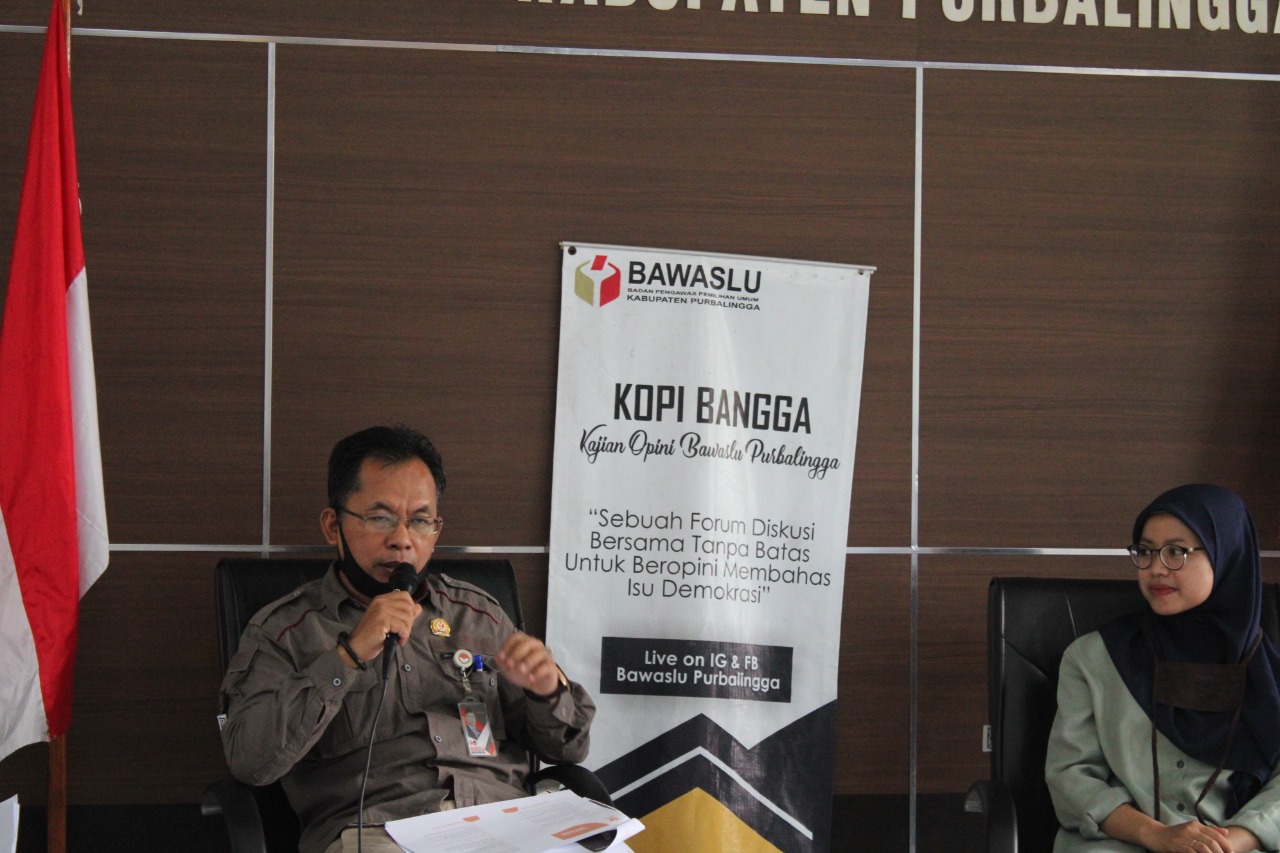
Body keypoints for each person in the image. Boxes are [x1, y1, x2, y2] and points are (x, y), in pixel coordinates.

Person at [220, 425, 596, 853]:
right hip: (379, 832)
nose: (402, 540)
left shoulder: (477, 615)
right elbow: (249, 762)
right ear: (333, 526)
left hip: (503, 822)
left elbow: (569, 750)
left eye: (419, 521)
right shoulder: (287, 631)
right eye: (380, 518)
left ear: (436, 531)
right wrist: (347, 655)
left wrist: (548, 692)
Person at [1046, 484, 1280, 853]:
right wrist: (1155, 834)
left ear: (1227, 554)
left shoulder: (1270, 672)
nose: (1156, 568)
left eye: (1176, 551)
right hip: (1119, 844)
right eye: (1145, 551)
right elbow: (1070, 779)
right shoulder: (1094, 658)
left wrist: (1230, 842)